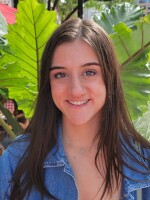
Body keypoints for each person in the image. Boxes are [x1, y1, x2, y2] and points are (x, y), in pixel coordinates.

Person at [0, 18, 150, 200]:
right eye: (60, 74)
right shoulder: (15, 161)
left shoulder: (143, 161)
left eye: (89, 72)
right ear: (49, 84)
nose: (76, 90)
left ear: (109, 78)